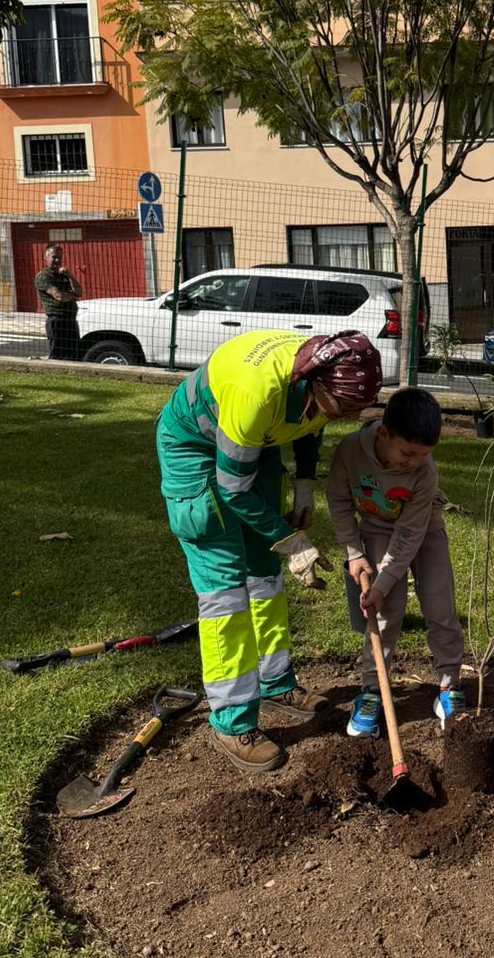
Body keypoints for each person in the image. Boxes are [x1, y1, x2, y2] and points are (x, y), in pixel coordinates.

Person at [156, 328, 382, 775]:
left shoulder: (320, 372)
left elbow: (311, 422)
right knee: (226, 593)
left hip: (255, 445)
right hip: (194, 448)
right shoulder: (255, 391)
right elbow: (233, 489)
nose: (345, 417)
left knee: (264, 573)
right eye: (342, 407)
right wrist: (292, 541)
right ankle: (233, 721)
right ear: (312, 382)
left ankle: (276, 682)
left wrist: (304, 483)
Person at [327, 387, 466, 737]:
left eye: (424, 454)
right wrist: (354, 552)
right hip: (376, 529)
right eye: (407, 453)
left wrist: (383, 582)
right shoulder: (350, 450)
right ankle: (372, 691)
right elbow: (339, 501)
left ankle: (449, 686)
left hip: (425, 531)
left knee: (440, 608)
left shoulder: (424, 471)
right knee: (384, 614)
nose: (413, 462)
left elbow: (409, 534)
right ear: (384, 433)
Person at [33, 244, 82, 360]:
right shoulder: (43, 276)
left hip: (70, 319)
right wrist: (72, 296)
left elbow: (79, 292)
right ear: (46, 257)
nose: (57, 260)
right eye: (54, 257)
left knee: (74, 355)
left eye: (59, 257)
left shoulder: (63, 275)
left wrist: (70, 276)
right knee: (58, 356)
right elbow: (59, 296)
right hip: (57, 320)